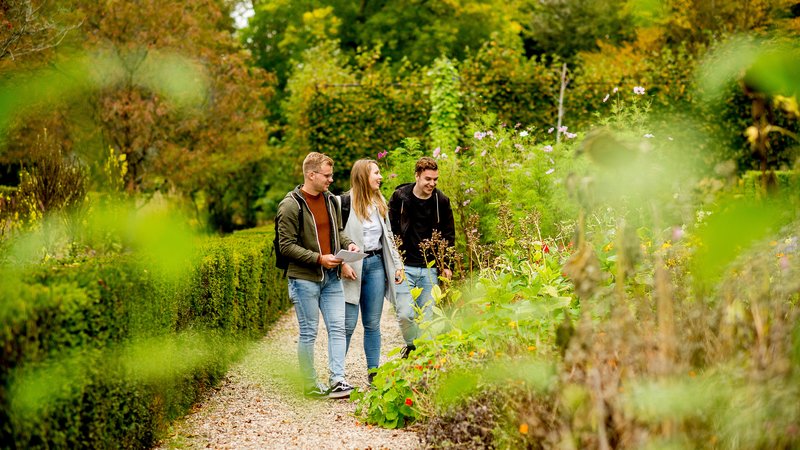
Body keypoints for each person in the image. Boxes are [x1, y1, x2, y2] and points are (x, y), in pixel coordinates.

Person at [276, 152, 360, 399]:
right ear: (311, 175)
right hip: (304, 279)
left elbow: (339, 232)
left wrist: (349, 245)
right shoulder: (290, 205)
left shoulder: (331, 201)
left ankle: (338, 381)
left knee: (337, 328)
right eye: (327, 175)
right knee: (309, 332)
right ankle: (310, 384)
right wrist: (318, 258)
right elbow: (286, 246)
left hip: (331, 278)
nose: (331, 180)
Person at [339, 159, 405, 384]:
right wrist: (342, 263)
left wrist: (397, 266)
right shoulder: (344, 203)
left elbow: (388, 239)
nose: (381, 177)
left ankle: (373, 372)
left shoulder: (380, 202)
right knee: (347, 325)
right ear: (362, 177)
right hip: (352, 268)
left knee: (372, 323)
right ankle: (337, 375)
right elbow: (334, 236)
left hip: (376, 265)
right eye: (376, 173)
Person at [388, 156, 455, 358]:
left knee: (428, 317)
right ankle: (412, 345)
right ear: (417, 176)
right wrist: (393, 262)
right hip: (404, 267)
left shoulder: (440, 201)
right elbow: (390, 231)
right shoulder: (400, 198)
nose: (432, 183)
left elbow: (449, 234)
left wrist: (447, 265)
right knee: (405, 315)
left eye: (435, 179)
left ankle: (422, 360)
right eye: (428, 179)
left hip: (430, 268)